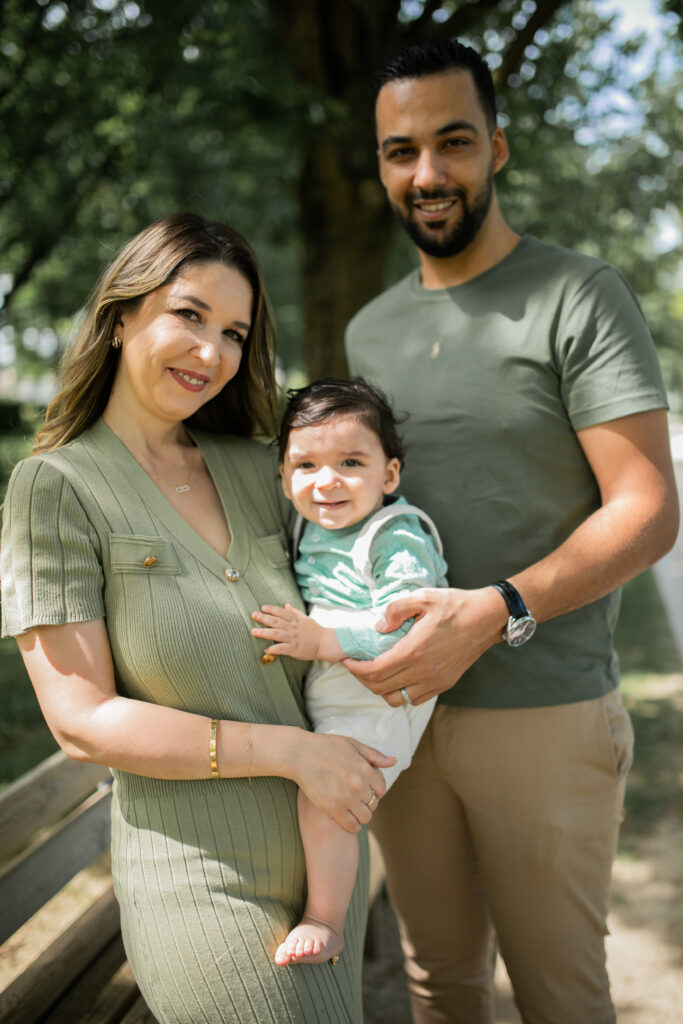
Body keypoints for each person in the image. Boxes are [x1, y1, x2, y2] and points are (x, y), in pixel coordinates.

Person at [342, 38, 680, 1024]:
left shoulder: (578, 294)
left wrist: (495, 610)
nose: (427, 173)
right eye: (400, 151)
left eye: (452, 143)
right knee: (435, 985)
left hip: (541, 709)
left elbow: (647, 507)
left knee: (558, 997)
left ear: (496, 147)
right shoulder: (367, 331)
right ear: (379, 166)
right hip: (399, 718)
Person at [0, 212, 396, 1024]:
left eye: (234, 332)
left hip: (327, 867)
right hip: (199, 880)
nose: (212, 352)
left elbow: (371, 565)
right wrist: (292, 752)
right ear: (120, 317)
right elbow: (80, 720)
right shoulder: (56, 488)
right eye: (188, 314)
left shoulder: (265, 469)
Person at [250, 377, 449, 968]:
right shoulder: (309, 524)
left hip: (383, 693)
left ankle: (328, 920)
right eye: (305, 464)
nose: (326, 479)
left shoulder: (395, 535)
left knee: (327, 799)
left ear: (388, 476)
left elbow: (415, 627)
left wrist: (323, 641)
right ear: (285, 478)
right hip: (337, 683)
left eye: (350, 462)